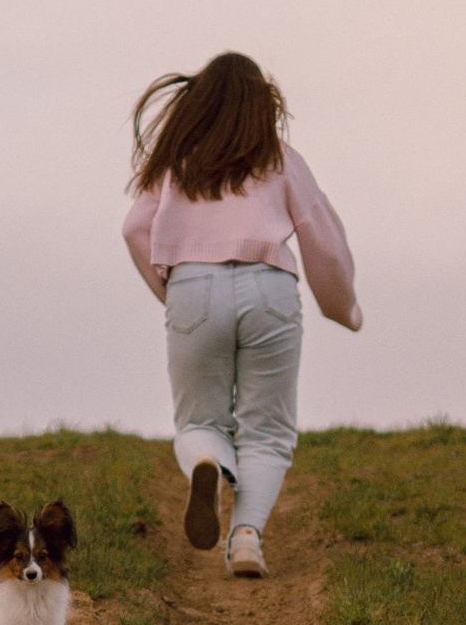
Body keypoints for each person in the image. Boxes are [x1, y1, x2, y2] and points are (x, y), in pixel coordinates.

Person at [121, 50, 362, 578]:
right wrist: (344, 307)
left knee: (198, 421)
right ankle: (247, 536)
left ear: (199, 103)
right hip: (269, 287)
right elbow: (322, 239)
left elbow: (135, 228)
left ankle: (207, 463)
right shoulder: (280, 159)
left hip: (193, 285)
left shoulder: (178, 162)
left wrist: (173, 293)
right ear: (262, 104)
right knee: (268, 430)